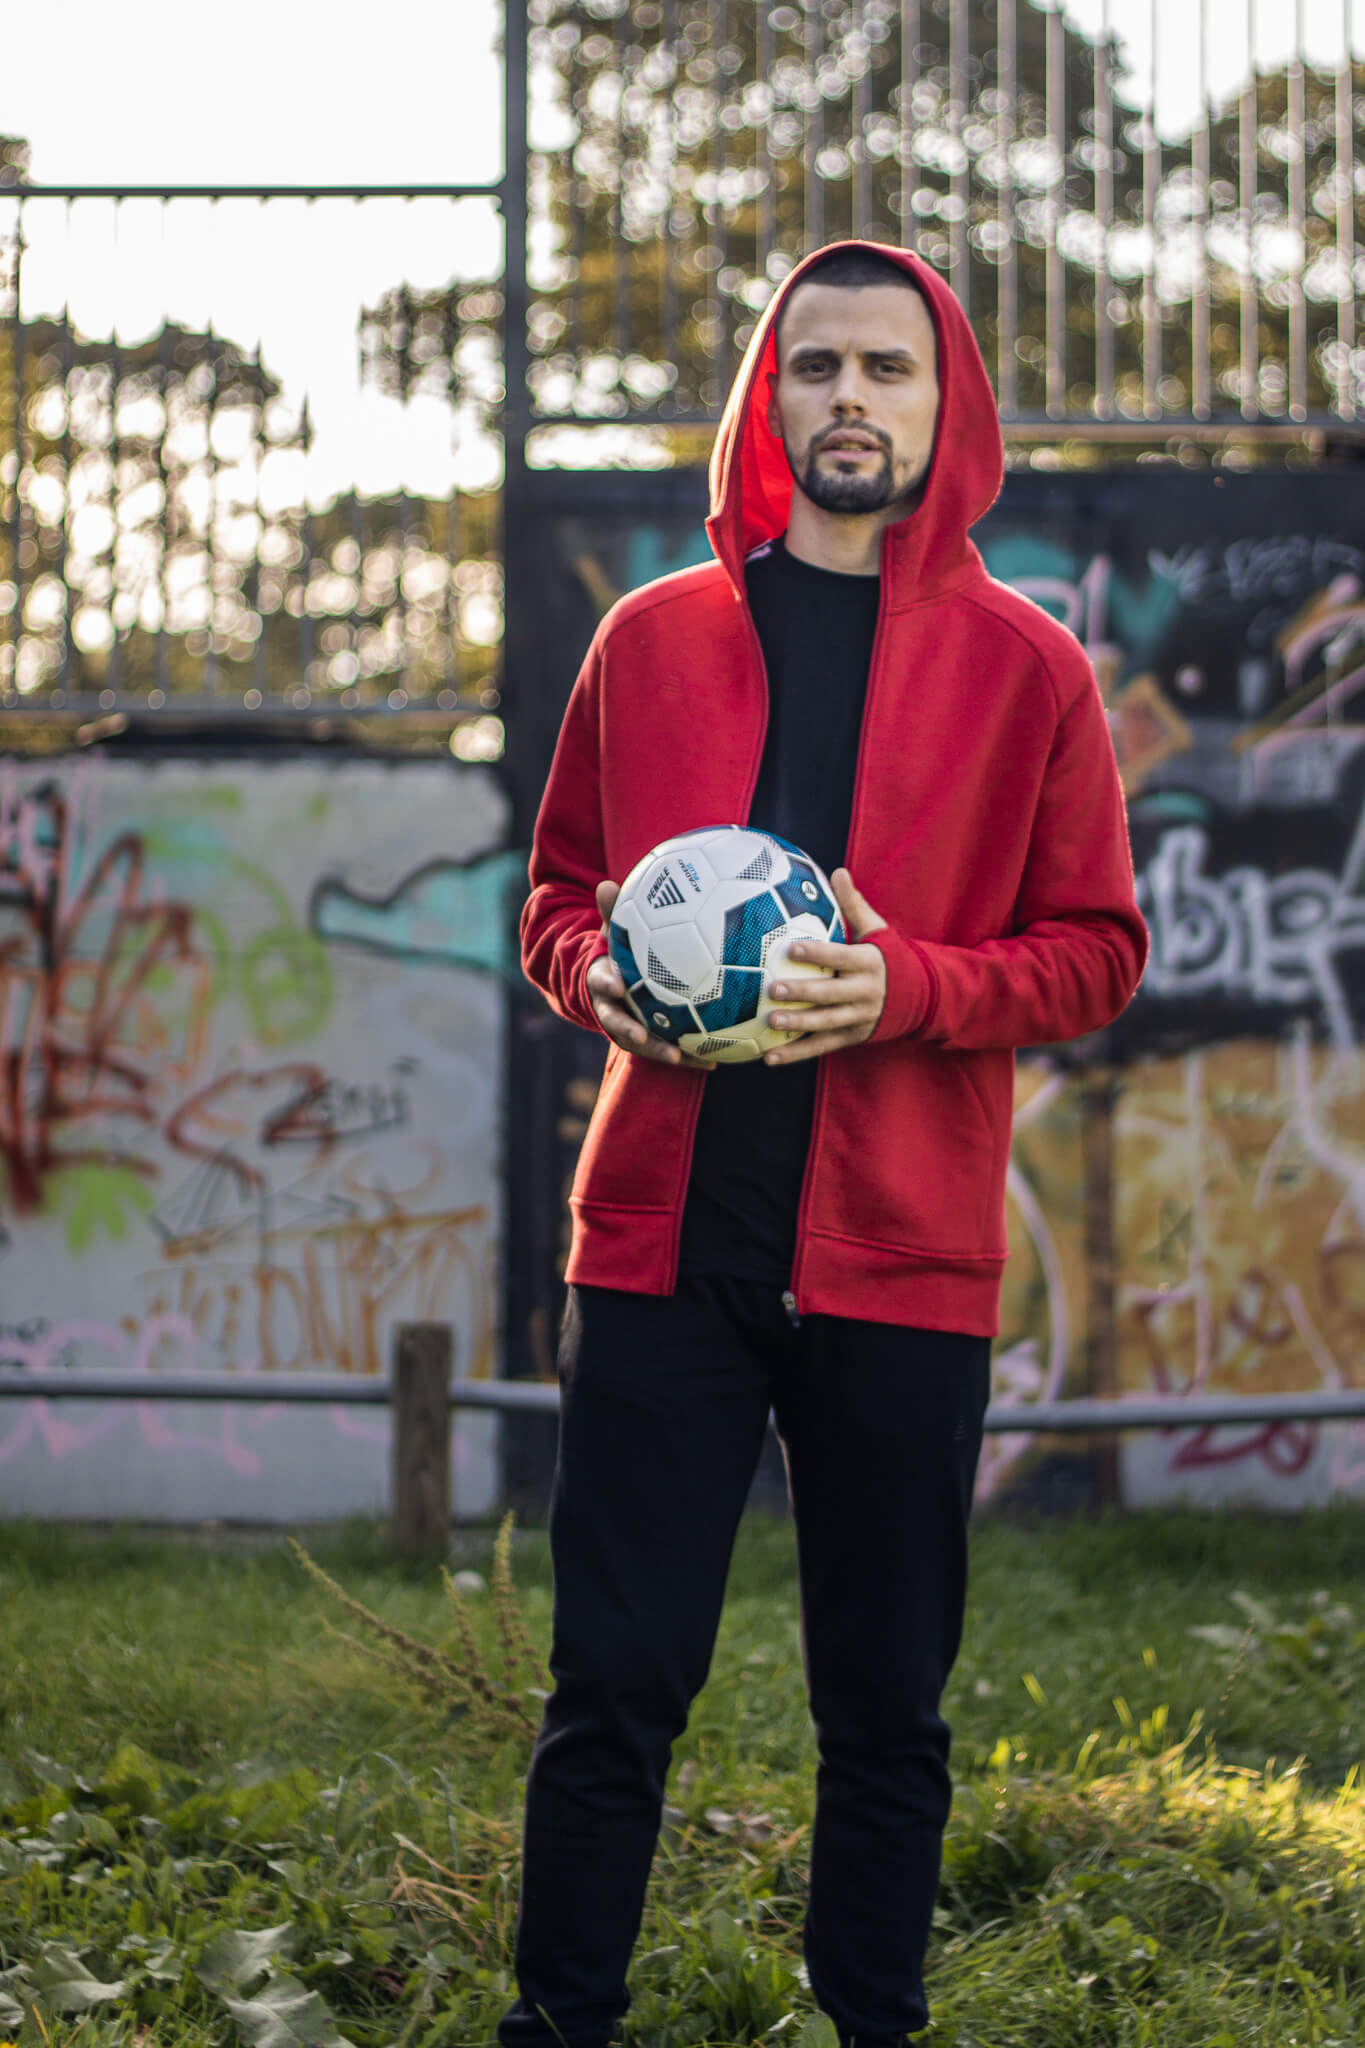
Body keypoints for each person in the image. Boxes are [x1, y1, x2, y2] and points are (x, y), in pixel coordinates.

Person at [502, 240, 1148, 2048]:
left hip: (899, 1255)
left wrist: (902, 991)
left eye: (885, 369)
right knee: (611, 1687)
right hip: (659, 1250)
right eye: (814, 368)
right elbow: (559, 894)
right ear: (764, 401)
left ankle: (872, 2027)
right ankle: (556, 2028)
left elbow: (1095, 949)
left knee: (884, 1710)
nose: (847, 400)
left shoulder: (1029, 668)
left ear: (947, 407)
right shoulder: (651, 640)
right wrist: (590, 976)